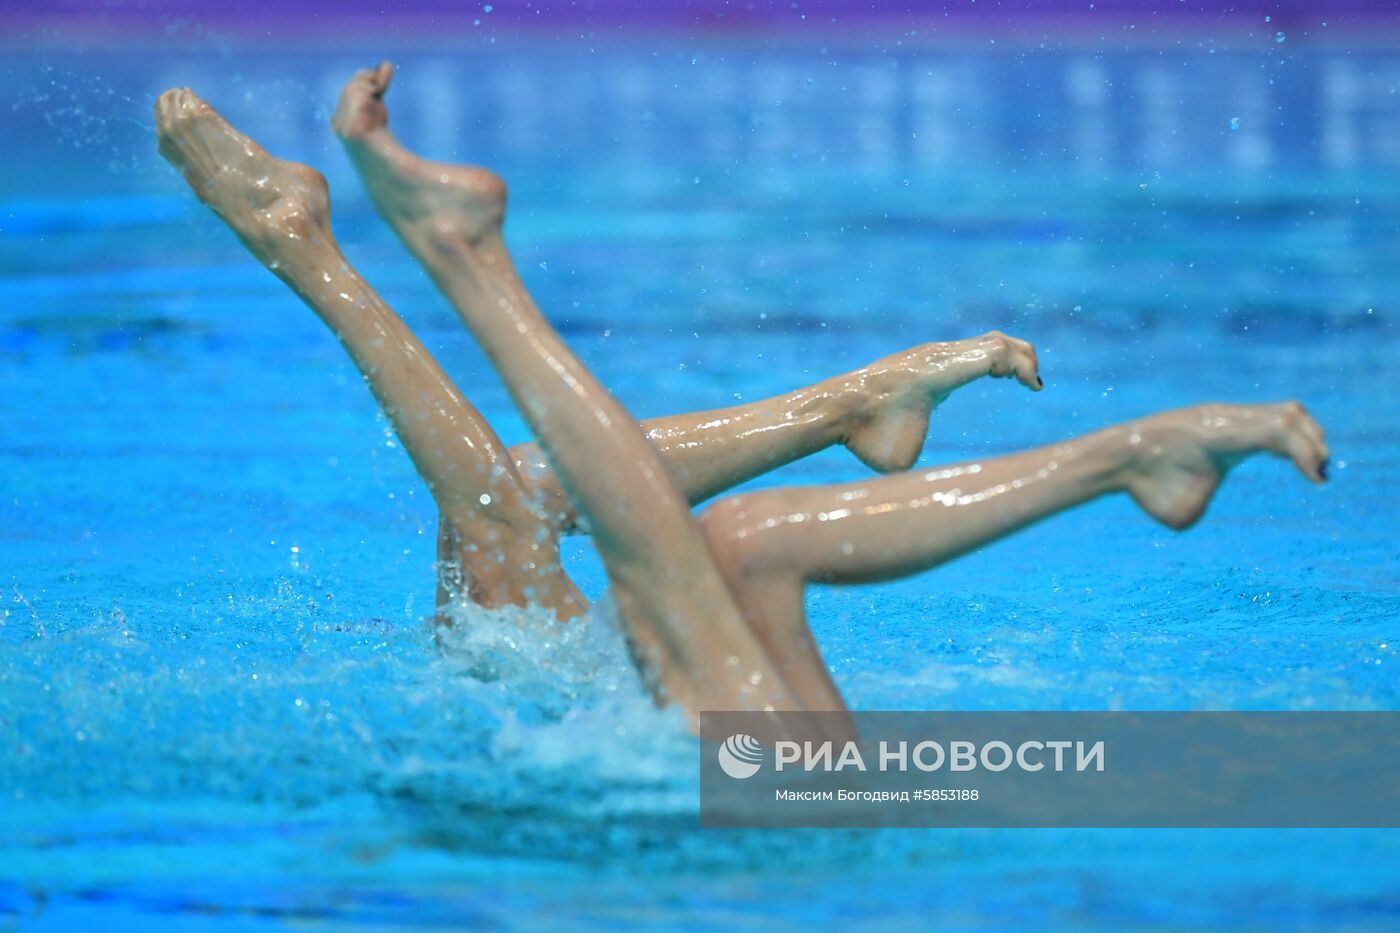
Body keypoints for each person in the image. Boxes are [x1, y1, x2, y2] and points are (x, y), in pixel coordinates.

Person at [152, 64, 1329, 738]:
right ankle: (1062, 445)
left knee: (579, 513)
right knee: (636, 529)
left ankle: (345, 250)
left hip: (762, 813)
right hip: (770, 799)